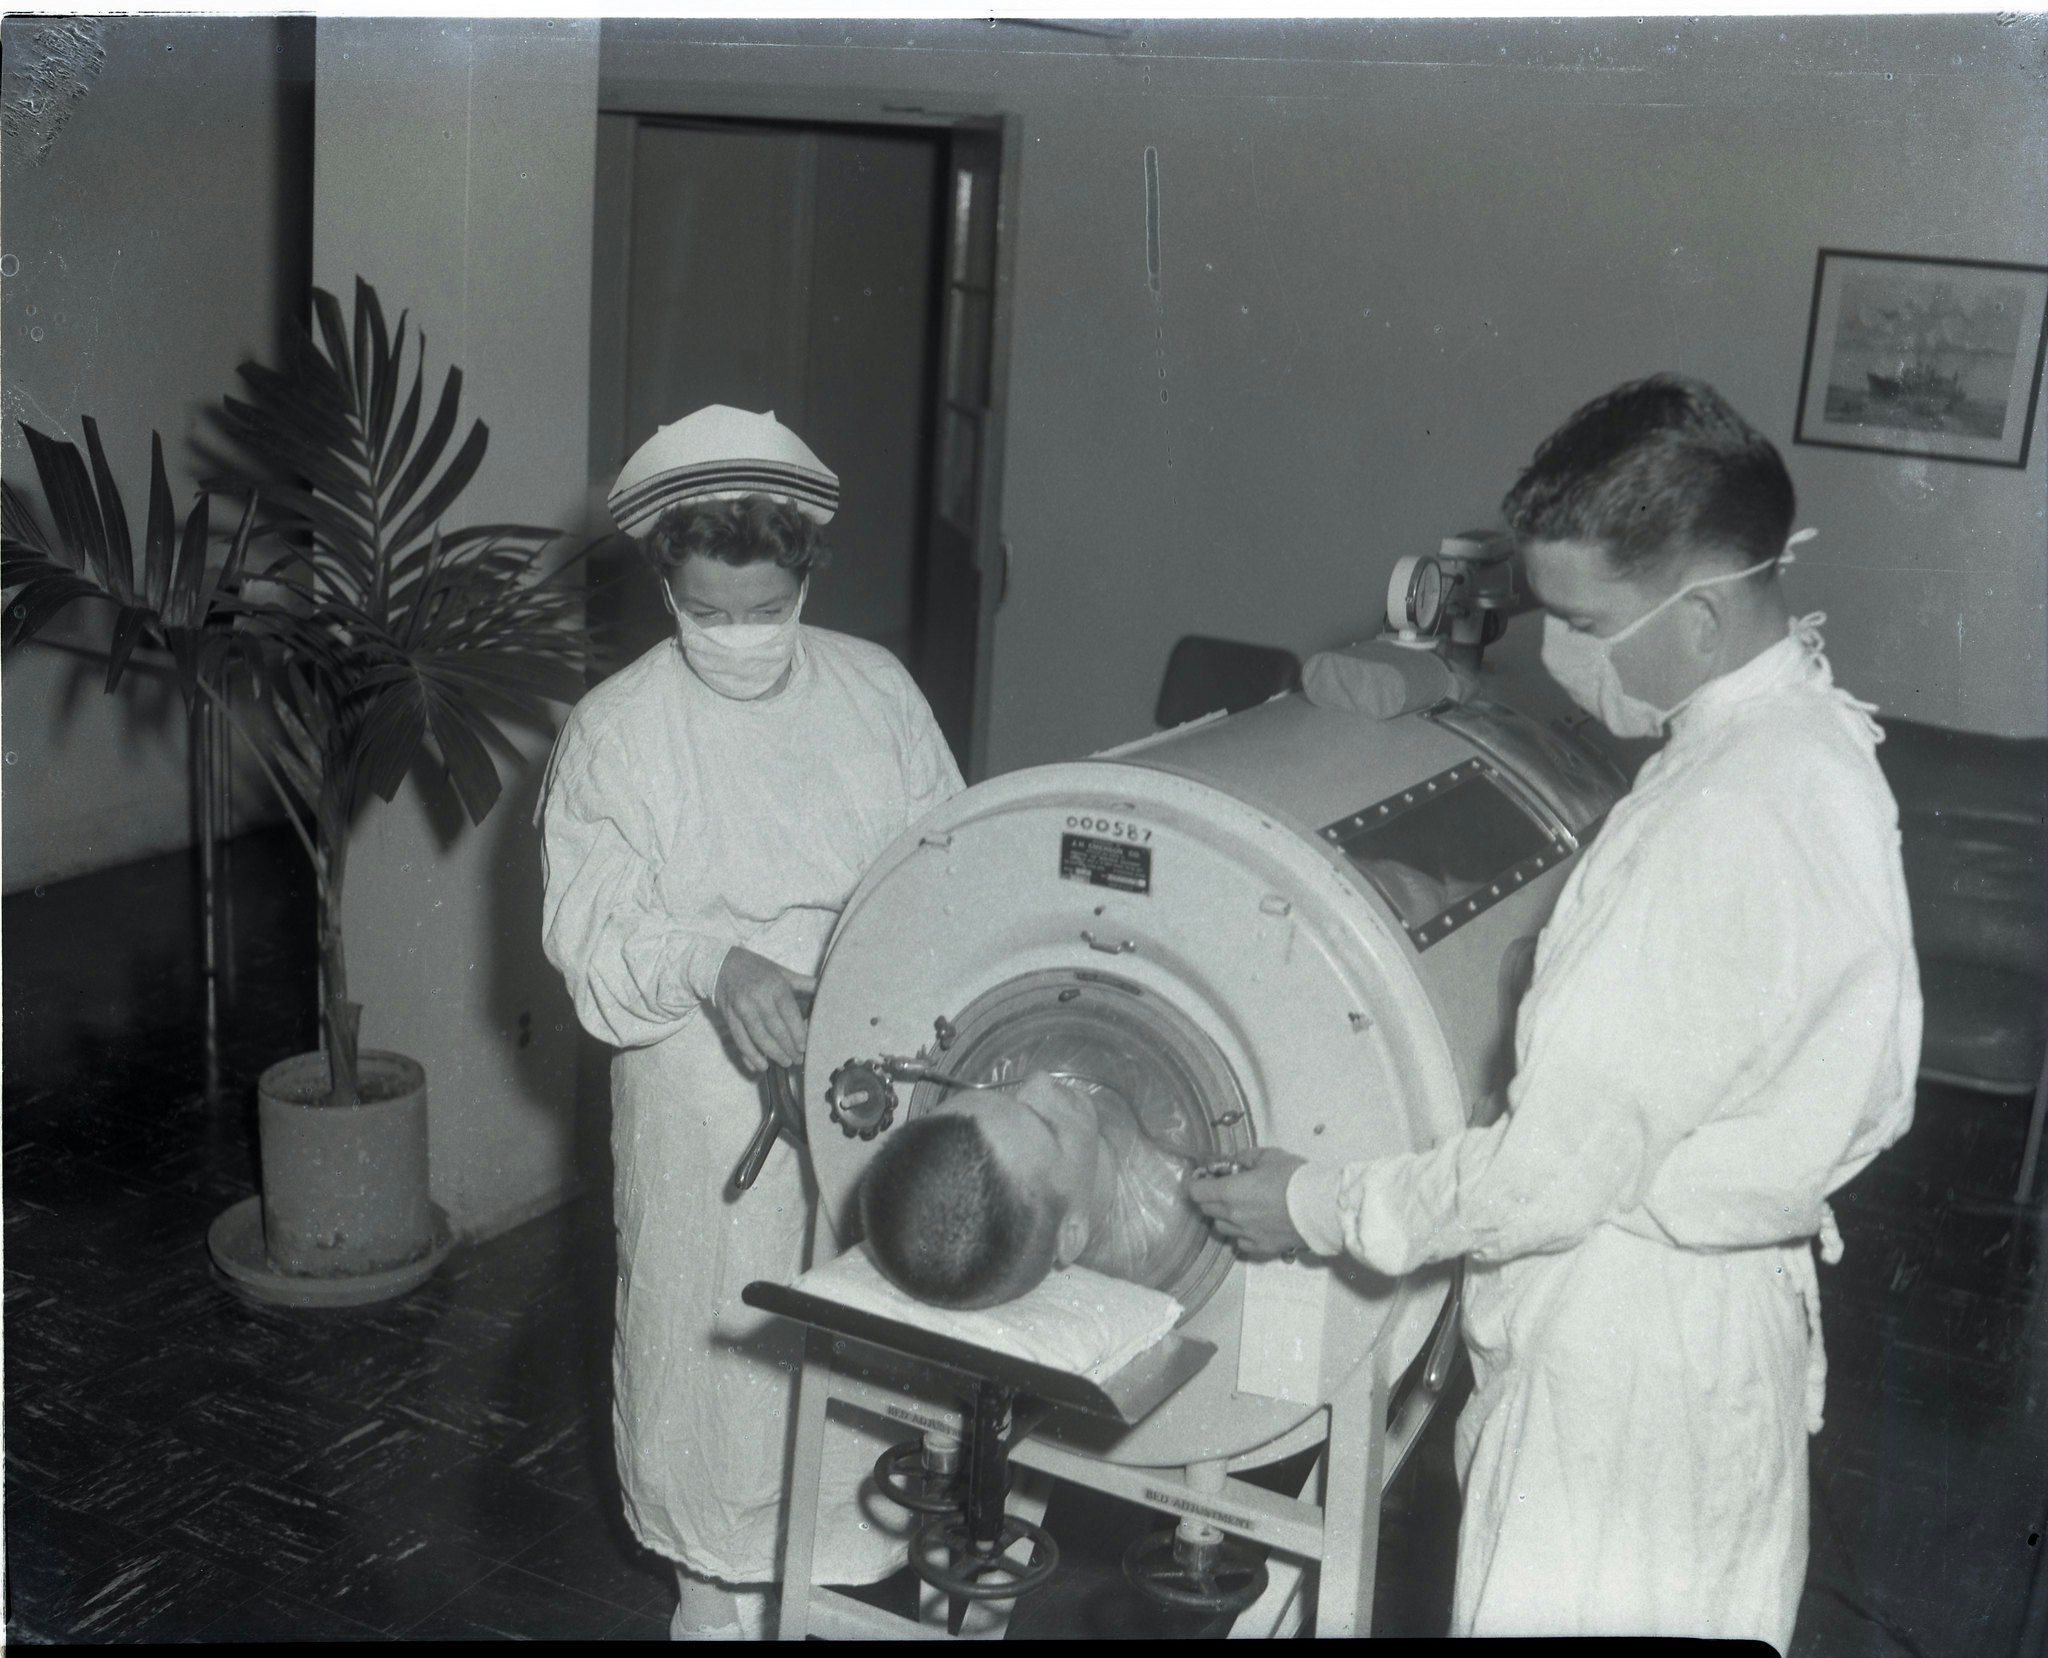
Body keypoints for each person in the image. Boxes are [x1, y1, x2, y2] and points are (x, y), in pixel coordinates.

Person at [1190, 374, 1921, 1652]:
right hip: (1714, 1324)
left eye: (1581, 618)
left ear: (1698, 611)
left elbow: (1545, 1179)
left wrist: (1315, 1200)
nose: (1556, 650)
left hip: (1623, 1364)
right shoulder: (1813, 752)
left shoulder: (1713, 822)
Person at [538, 406, 964, 1640]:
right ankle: (713, 1596)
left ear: (806, 575)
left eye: (763, 609)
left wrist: (862, 975)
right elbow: (595, 941)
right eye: (707, 612)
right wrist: (716, 960)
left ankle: (840, 1579)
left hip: (870, 1058)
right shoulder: (616, 731)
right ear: (663, 577)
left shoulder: (874, 691)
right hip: (699, 1080)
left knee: (869, 1324)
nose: (737, 637)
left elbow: (942, 864)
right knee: (715, 1338)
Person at [859, 1071, 1208, 1307]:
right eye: (1045, 1123)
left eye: (996, 1093)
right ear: (1071, 1235)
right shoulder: (1170, 1245)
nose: (1038, 1079)